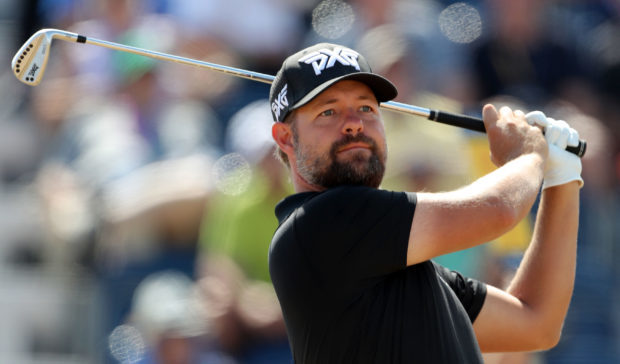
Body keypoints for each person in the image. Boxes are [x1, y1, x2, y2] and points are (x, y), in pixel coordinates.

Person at [267, 42, 583, 363]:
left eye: (366, 108)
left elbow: (537, 324)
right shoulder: (319, 222)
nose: (354, 123)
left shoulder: (409, 268)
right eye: (328, 111)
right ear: (285, 138)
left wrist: (563, 179)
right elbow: (498, 209)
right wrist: (528, 156)